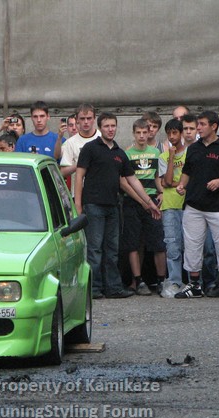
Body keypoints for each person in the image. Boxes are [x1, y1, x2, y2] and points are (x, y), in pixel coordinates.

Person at [74, 112, 161, 299]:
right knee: (95, 249)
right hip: (93, 205)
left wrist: (149, 202)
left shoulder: (119, 153)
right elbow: (79, 176)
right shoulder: (90, 148)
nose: (110, 129)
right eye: (106, 126)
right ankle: (94, 288)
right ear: (100, 128)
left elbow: (133, 180)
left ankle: (113, 287)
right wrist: (78, 205)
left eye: (113, 126)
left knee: (112, 249)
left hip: (113, 206)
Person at [174, 111, 219, 299]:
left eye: (202, 124)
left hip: (217, 205)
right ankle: (194, 284)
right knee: (192, 245)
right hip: (193, 204)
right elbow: (187, 171)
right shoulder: (193, 148)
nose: (199, 128)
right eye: (198, 124)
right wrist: (181, 185)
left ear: (214, 126)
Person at [121, 119, 166, 295]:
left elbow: (157, 176)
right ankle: (138, 280)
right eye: (138, 133)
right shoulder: (127, 154)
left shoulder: (156, 153)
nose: (141, 136)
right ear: (133, 134)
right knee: (134, 242)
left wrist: (161, 192)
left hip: (153, 199)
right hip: (133, 202)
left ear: (149, 133)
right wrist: (142, 201)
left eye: (144, 132)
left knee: (158, 241)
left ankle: (161, 280)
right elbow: (125, 182)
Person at [158, 119, 187, 298]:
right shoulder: (163, 157)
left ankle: (195, 281)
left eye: (175, 132)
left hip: (187, 204)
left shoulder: (189, 154)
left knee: (191, 244)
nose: (172, 136)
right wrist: (171, 157)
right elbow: (167, 181)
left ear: (181, 133)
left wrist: (178, 183)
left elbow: (191, 179)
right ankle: (175, 280)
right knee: (172, 245)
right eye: (169, 133)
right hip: (169, 205)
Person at [59, 104, 100, 197]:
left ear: (94, 118)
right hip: (79, 194)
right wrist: (81, 163)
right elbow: (63, 172)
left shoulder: (101, 137)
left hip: (101, 192)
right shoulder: (70, 142)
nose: (86, 122)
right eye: (82, 118)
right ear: (77, 119)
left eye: (89, 118)